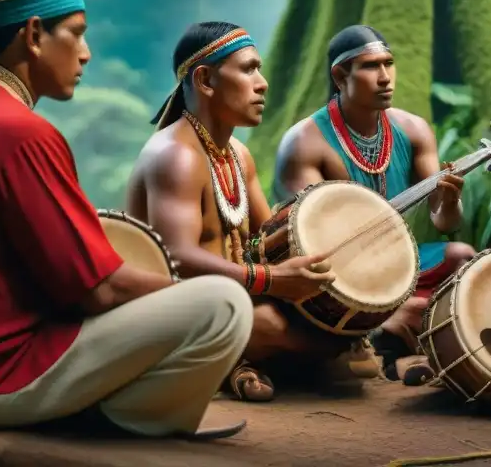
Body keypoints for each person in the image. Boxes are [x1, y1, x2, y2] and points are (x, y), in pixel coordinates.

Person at [0, 0, 253, 441]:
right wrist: (194, 295)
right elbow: (98, 290)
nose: (86, 53)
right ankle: (122, 426)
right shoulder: (16, 131)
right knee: (225, 304)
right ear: (35, 35)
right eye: (77, 33)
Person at [125, 21, 378, 405]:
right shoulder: (176, 156)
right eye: (248, 69)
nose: (262, 83)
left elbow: (271, 232)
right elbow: (175, 256)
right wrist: (272, 280)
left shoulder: (237, 155)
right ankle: (274, 359)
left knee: (313, 309)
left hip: (236, 294)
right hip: (180, 308)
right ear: (206, 79)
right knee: (269, 324)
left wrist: (335, 246)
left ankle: (252, 360)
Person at [274, 25, 477, 386]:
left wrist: (449, 200)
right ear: (340, 75)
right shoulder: (306, 142)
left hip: (399, 261)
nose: (385, 77)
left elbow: (445, 223)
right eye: (370, 66)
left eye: (389, 63)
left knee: (462, 256)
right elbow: (313, 243)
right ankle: (395, 332)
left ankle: (401, 335)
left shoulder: (413, 130)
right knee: (332, 277)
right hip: (341, 270)